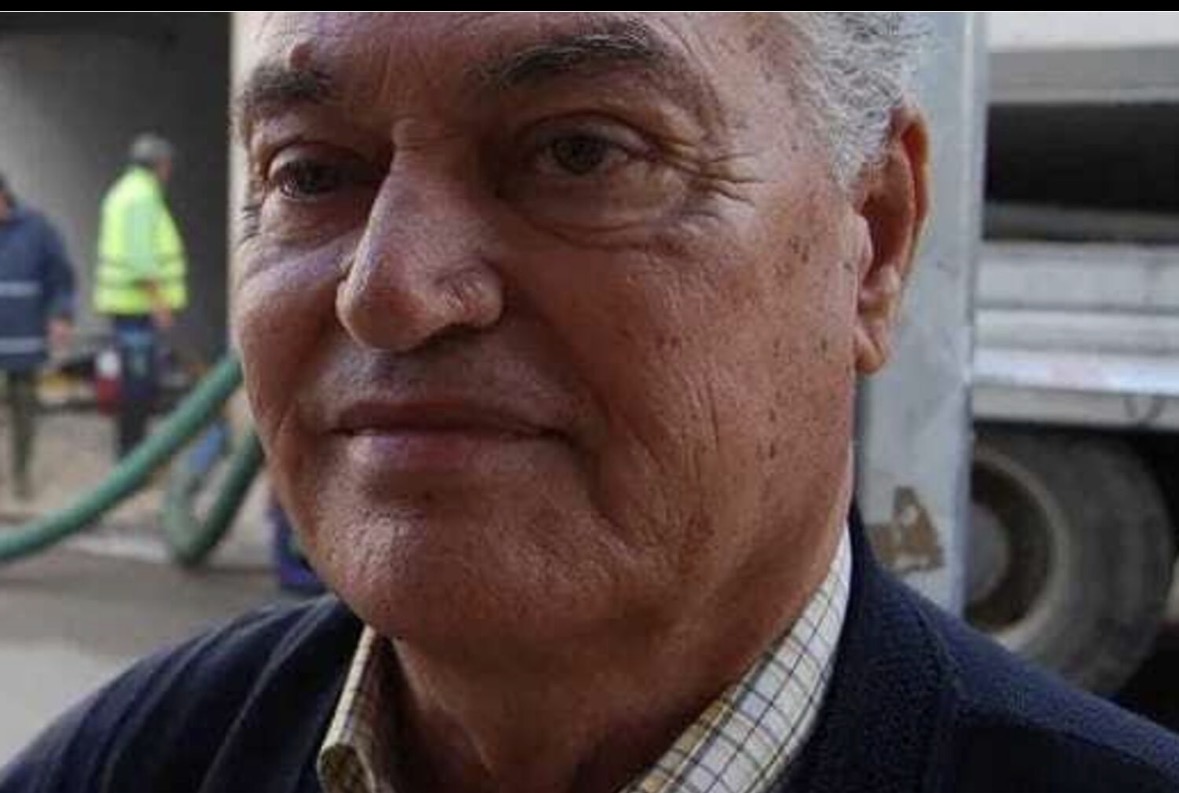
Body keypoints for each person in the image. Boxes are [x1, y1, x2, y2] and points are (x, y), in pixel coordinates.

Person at [4, 13, 1179, 793]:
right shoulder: (130, 763)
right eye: (310, 172)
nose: (389, 292)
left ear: (869, 242)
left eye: (580, 153)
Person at [92, 132, 187, 459]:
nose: (169, 172)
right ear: (160, 165)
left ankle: (132, 454)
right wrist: (160, 303)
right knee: (139, 384)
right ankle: (133, 455)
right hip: (138, 308)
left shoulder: (124, 192)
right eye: (167, 165)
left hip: (130, 307)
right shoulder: (141, 197)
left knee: (136, 381)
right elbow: (140, 259)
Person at [0, 172, 75, 501]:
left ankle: (21, 474)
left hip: (23, 339)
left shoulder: (36, 229)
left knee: (24, 410)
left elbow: (60, 276)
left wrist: (61, 315)